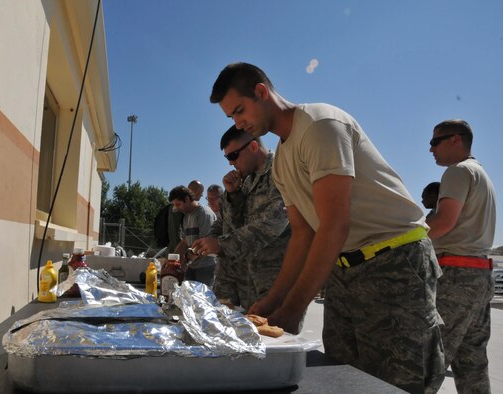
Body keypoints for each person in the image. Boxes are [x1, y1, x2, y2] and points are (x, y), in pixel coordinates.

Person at [210, 62, 445, 393]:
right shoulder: (283, 160)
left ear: (261, 92)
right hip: (345, 269)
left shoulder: (320, 126)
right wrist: (272, 301)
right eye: (231, 118)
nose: (238, 123)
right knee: (345, 380)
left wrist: (293, 308)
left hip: (396, 263)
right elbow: (303, 235)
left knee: (397, 384)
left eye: (239, 110)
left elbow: (335, 225)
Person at [426, 120, 496, 393]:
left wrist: (405, 235)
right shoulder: (481, 174)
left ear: (456, 140)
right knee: (473, 362)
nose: (430, 149)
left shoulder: (458, 171)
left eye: (435, 142)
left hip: (456, 276)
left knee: (429, 358)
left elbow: (443, 223)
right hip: (479, 275)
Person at [192, 126, 290, 310]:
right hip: (241, 280)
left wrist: (221, 244)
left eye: (233, 156)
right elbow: (227, 222)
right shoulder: (244, 179)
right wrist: (233, 194)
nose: (231, 163)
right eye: (227, 158)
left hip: (272, 280)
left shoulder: (281, 171)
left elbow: (272, 223)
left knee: (274, 336)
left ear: (253, 147)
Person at [169, 186, 217, 286]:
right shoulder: (187, 216)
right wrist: (172, 261)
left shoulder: (204, 214)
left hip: (205, 267)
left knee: (202, 299)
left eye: (178, 204)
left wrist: (185, 262)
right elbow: (185, 242)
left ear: (187, 199)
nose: (177, 208)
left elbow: (203, 246)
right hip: (192, 266)